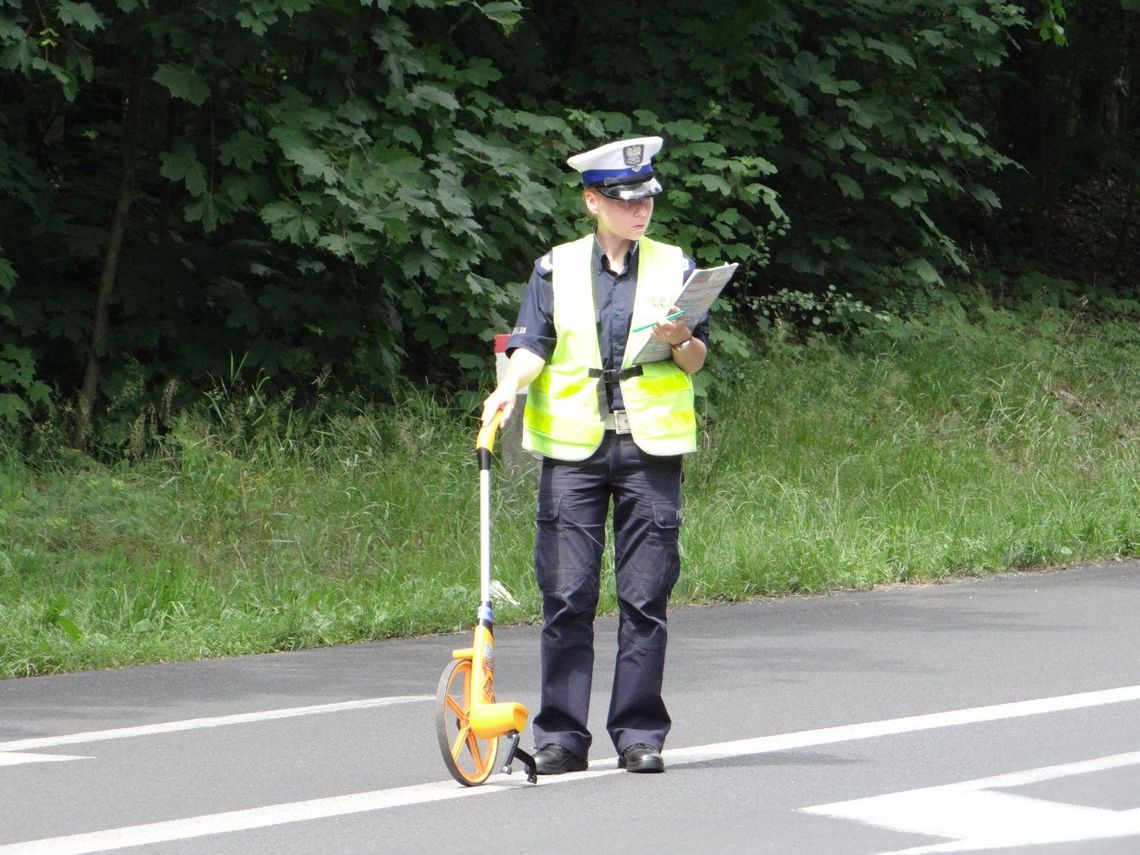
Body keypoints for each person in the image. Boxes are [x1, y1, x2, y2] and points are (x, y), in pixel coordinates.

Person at [481, 135, 709, 775]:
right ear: (593, 201)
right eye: (626, 200)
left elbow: (695, 361)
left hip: (649, 449)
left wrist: (682, 336)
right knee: (566, 595)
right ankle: (561, 738)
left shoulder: (676, 265)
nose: (641, 211)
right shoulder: (553, 268)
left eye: (647, 199)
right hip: (574, 450)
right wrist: (506, 388)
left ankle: (639, 735)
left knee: (644, 598)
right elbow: (531, 346)